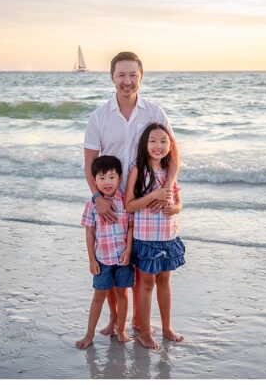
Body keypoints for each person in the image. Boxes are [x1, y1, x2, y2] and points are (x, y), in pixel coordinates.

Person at [82, 51, 179, 338]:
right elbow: (89, 164)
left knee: (141, 265)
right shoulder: (98, 117)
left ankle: (140, 323)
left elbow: (174, 154)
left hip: (145, 198)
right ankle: (115, 320)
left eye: (132, 75)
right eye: (121, 75)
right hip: (111, 201)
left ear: (141, 76)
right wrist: (98, 198)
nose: (127, 81)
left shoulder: (155, 112)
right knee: (112, 261)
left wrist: (170, 189)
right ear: (112, 77)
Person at [124, 123, 184, 351]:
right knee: (146, 284)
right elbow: (129, 205)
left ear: (170, 146)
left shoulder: (169, 173)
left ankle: (167, 328)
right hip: (147, 238)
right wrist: (154, 195)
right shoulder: (138, 169)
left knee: (165, 282)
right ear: (144, 144)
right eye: (153, 141)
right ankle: (145, 332)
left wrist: (175, 209)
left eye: (163, 141)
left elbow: (179, 202)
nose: (158, 146)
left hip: (168, 237)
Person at [75, 155, 133, 349]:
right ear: (94, 180)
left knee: (122, 294)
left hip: (123, 259)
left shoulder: (126, 201)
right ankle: (89, 334)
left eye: (111, 177)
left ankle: (121, 329)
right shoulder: (91, 205)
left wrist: (129, 249)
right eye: (101, 177)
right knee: (99, 296)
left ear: (120, 178)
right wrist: (92, 260)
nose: (107, 182)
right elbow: (89, 233)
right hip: (103, 260)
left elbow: (131, 227)